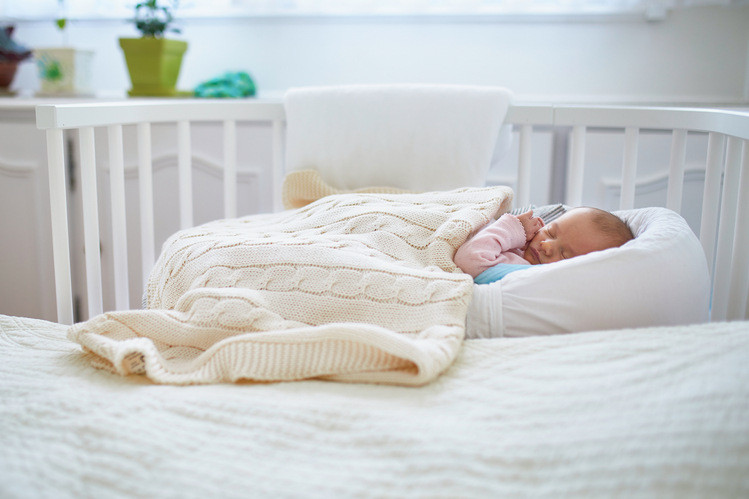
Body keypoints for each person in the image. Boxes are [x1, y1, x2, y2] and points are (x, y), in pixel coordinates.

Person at [454, 206, 634, 283]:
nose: (547, 246)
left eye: (564, 254)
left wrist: (511, 228)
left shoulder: (525, 272)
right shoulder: (520, 249)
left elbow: (468, 260)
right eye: (550, 232)